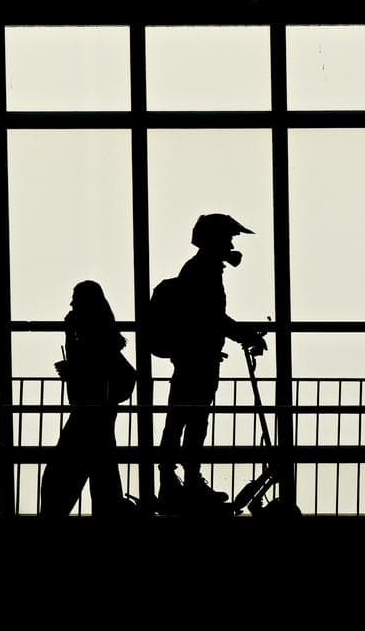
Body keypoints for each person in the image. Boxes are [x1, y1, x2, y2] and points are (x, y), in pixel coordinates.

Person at [150, 214, 267, 511]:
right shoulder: (203, 271)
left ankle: (177, 481)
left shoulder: (201, 268)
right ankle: (182, 482)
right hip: (197, 359)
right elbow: (211, 316)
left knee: (182, 418)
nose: (230, 243)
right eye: (227, 238)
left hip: (195, 356)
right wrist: (244, 334)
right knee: (190, 419)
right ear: (214, 239)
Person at [39, 280, 135, 517]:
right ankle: (109, 512)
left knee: (62, 473)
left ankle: (53, 514)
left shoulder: (89, 336)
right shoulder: (102, 335)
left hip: (90, 410)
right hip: (102, 409)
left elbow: (90, 370)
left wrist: (70, 343)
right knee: (102, 470)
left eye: (75, 299)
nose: (71, 303)